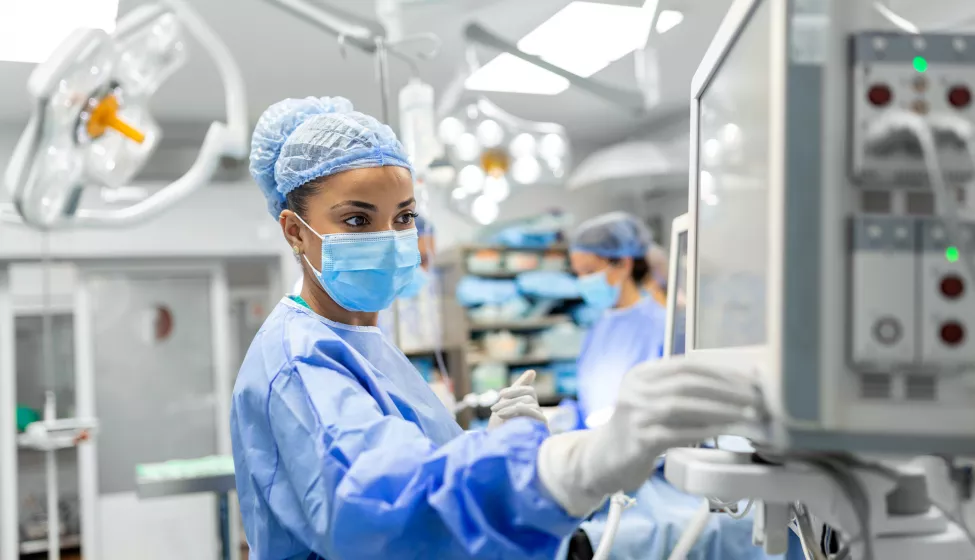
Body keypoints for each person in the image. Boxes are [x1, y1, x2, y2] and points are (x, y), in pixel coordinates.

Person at [230, 96, 762, 560]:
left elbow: (415, 461)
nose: (391, 237)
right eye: (356, 220)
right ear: (294, 231)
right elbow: (379, 504)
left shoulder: (358, 341)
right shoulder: (299, 359)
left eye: (404, 217)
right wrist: (555, 468)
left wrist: (495, 442)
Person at [569, 212, 668, 428]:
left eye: (589, 271)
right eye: (578, 273)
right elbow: (589, 396)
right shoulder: (598, 326)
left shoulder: (661, 325)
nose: (583, 281)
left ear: (623, 264)